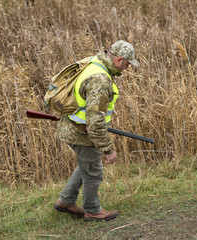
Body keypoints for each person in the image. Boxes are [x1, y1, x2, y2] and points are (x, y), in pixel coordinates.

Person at [54, 40, 140, 222]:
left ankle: (66, 201)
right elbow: (95, 122)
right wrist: (108, 149)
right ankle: (93, 210)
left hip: (72, 126)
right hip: (82, 132)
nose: (127, 68)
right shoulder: (100, 80)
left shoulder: (93, 62)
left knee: (88, 164)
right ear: (119, 60)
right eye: (127, 64)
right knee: (94, 171)